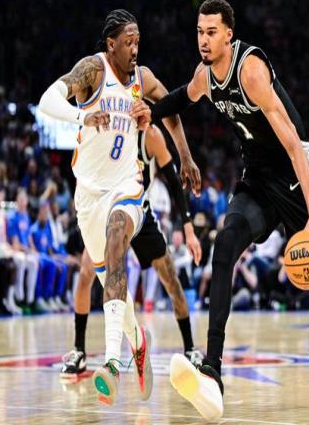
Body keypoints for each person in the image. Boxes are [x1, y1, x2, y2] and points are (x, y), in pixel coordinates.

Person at [131, 0, 309, 421]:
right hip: (256, 181)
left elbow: (295, 146)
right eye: (199, 32)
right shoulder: (205, 76)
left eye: (211, 32)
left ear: (229, 35)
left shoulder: (250, 71)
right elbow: (181, 98)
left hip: (294, 180)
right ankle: (212, 371)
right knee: (224, 248)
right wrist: (151, 111)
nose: (203, 40)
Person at [39, 9, 201, 405]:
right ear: (111, 44)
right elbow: (47, 100)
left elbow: (171, 108)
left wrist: (185, 155)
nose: (134, 49)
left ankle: (111, 363)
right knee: (107, 279)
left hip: (127, 188)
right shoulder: (92, 71)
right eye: (128, 42)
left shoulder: (142, 79)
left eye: (138, 42)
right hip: (88, 195)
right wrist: (82, 115)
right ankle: (137, 340)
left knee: (117, 243)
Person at [60, 125, 204, 379]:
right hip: (109, 210)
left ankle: (190, 347)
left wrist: (188, 226)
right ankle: (79, 349)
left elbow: (173, 181)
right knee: (85, 274)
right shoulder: (107, 125)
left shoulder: (151, 135)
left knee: (170, 279)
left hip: (140, 212)